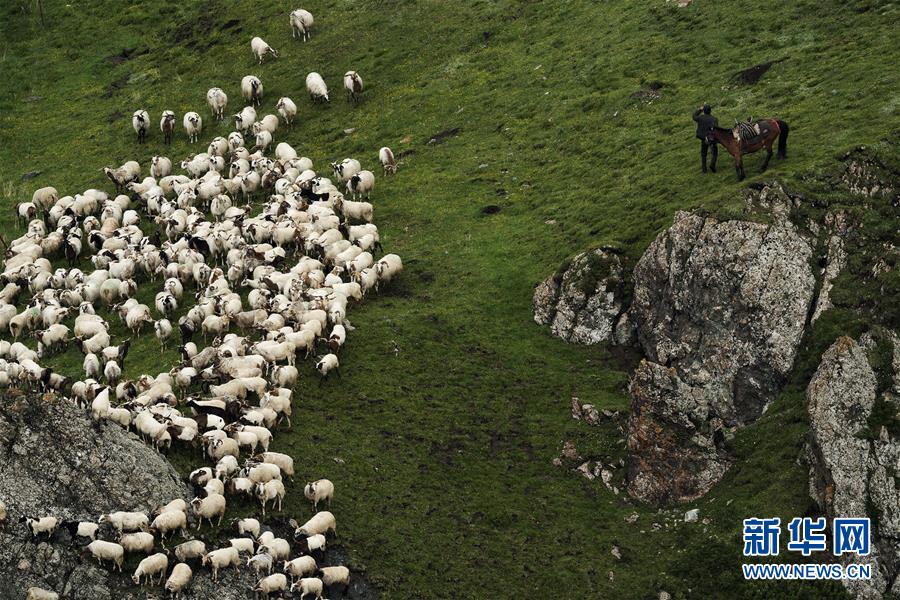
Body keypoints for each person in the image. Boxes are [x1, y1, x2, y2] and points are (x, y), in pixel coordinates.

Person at [692, 103, 718, 173]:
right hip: (711, 138)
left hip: (703, 138)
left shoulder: (700, 118)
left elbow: (694, 116)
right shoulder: (714, 119)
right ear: (710, 111)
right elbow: (716, 129)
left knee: (703, 154)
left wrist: (699, 110)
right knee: (714, 153)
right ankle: (712, 164)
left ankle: (704, 169)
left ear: (704, 111)